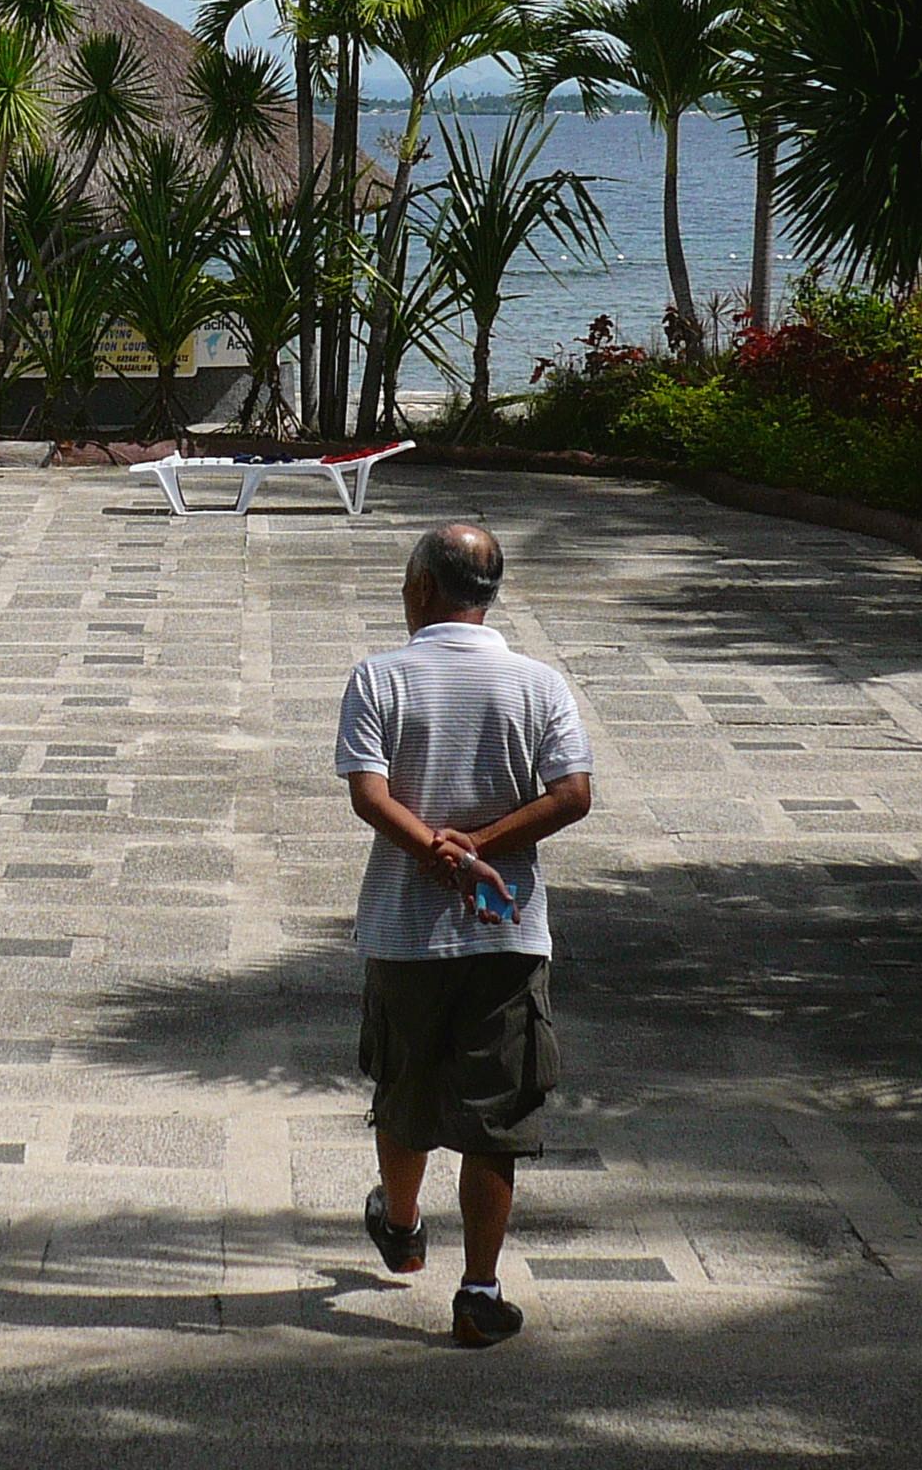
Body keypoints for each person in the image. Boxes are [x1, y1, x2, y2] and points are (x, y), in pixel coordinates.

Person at [335, 520, 593, 1347]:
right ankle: (479, 1293)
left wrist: (435, 851)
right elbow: (573, 794)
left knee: (403, 1088)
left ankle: (402, 1224)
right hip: (507, 935)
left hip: (406, 932)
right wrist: (479, 847)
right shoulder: (540, 685)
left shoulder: (380, 678)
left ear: (420, 588)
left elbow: (370, 796)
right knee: (496, 1116)